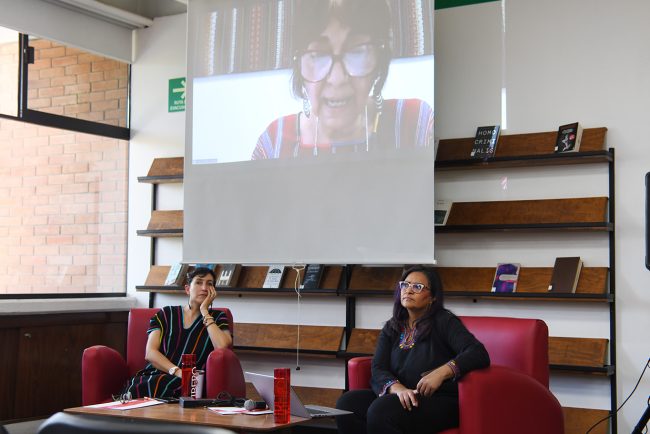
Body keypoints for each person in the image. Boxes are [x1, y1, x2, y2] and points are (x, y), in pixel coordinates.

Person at [252, 0, 433, 159]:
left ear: (380, 58)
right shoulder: (274, 143)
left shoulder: (416, 123)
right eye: (318, 54)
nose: (337, 79)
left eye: (356, 52)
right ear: (298, 64)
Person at [335, 266, 490, 434]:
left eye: (417, 287)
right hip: (401, 395)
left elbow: (477, 352)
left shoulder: (445, 321)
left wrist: (442, 372)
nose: (408, 290)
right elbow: (378, 367)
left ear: (432, 297)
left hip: (438, 400)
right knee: (347, 404)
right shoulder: (392, 326)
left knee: (382, 410)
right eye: (405, 285)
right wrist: (398, 389)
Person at [122, 266, 232, 398]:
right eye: (198, 282)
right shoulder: (166, 314)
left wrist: (204, 311)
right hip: (157, 374)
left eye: (209, 284)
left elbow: (221, 347)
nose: (204, 288)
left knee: (167, 387)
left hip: (192, 383)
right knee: (148, 385)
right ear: (187, 289)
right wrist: (177, 371)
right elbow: (150, 353)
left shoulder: (218, 317)